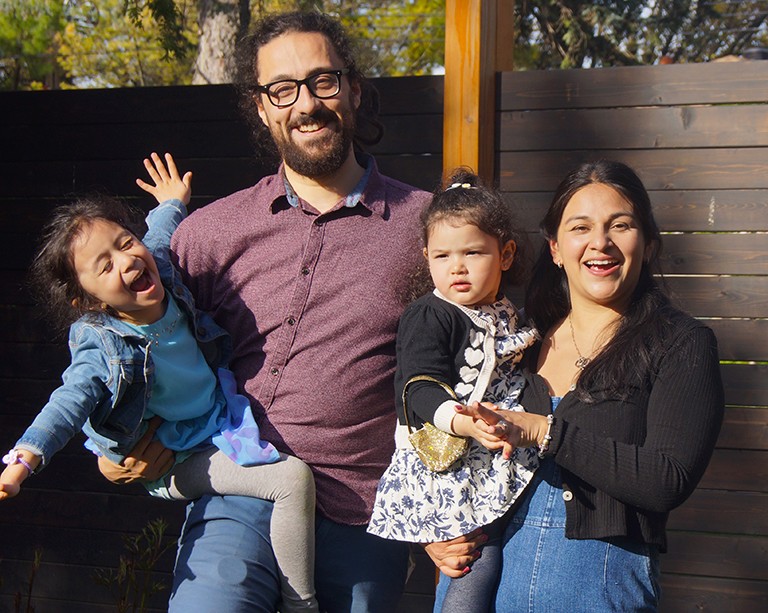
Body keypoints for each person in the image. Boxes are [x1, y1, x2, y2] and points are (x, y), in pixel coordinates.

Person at [96, 11, 431, 613]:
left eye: (323, 81)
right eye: (283, 89)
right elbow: (129, 333)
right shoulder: (211, 233)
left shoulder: (425, 228)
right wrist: (119, 443)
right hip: (237, 490)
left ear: (353, 89)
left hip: (366, 515)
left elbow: (477, 352)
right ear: (262, 107)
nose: (306, 104)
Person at [0, 153, 319, 613]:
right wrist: (25, 457)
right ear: (85, 300)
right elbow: (68, 402)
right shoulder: (102, 345)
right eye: (104, 267)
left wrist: (172, 201)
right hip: (177, 457)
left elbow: (159, 233)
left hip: (213, 420)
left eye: (124, 243)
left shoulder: (161, 268)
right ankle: (301, 603)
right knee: (291, 479)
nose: (126, 261)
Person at [426, 160, 725, 612]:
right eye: (580, 227)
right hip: (481, 581)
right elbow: (445, 440)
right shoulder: (518, 340)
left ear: (647, 243)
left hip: (597, 585)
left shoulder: (680, 344)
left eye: (620, 226)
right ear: (555, 248)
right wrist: (435, 530)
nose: (599, 243)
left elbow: (669, 479)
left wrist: (547, 433)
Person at [367, 169, 539, 611]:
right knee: (470, 565)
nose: (457, 267)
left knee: (503, 560)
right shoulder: (430, 315)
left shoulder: (505, 313)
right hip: (445, 462)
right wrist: (462, 421)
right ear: (426, 258)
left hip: (495, 456)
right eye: (442, 256)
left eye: (473, 252)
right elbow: (417, 388)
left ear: (505, 254)